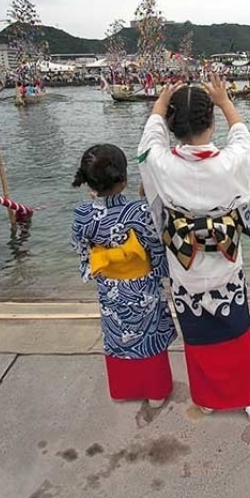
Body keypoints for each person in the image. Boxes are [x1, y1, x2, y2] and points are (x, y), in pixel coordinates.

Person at [138, 75, 250, 424]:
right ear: (211, 123)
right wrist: (225, 101)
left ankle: (208, 399)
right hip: (225, 265)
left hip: (185, 267)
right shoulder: (230, 163)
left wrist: (161, 104)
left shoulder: (161, 164)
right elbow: (245, 141)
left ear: (171, 126)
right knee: (236, 335)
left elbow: (148, 142)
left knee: (197, 338)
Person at [71, 144, 176, 406]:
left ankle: (124, 389)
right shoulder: (140, 212)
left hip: (110, 286)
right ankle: (156, 392)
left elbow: (80, 248)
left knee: (118, 336)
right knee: (149, 335)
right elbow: (157, 249)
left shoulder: (83, 215)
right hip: (143, 287)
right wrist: (165, 278)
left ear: (89, 183)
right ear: (124, 178)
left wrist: (96, 263)